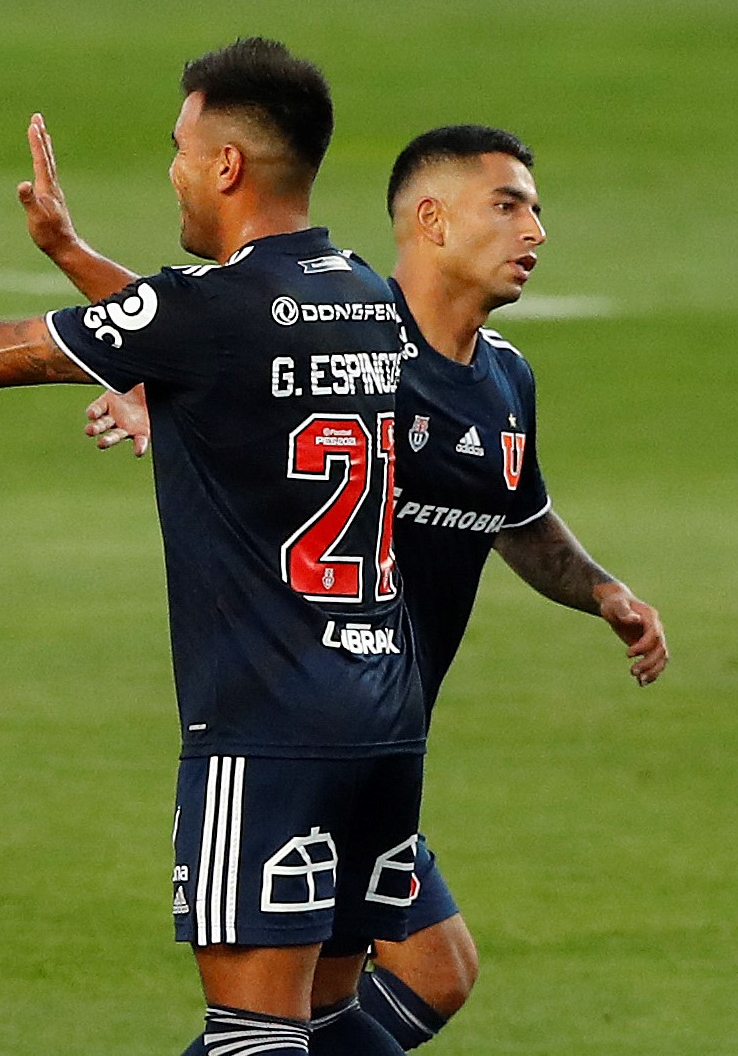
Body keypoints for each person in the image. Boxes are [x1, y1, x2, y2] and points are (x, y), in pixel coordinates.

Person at [0, 38, 423, 1056]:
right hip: (381, 725)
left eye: (182, 150)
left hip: (264, 728)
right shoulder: (364, 296)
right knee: (324, 1024)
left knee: (253, 1036)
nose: (175, 172)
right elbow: (213, 348)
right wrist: (71, 250)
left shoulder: (211, 309)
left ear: (230, 166)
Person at [60, 125, 669, 1049]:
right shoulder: (355, 348)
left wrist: (601, 590)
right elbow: (223, 336)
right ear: (430, 220)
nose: (535, 229)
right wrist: (154, 385)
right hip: (299, 731)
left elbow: (516, 514)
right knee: (276, 1025)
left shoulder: (505, 380)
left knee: (398, 985)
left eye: (536, 208)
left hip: (380, 743)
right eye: (509, 206)